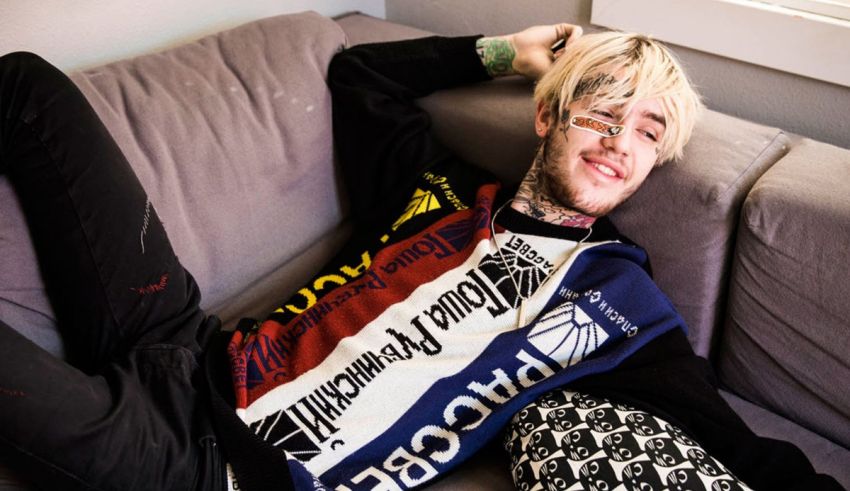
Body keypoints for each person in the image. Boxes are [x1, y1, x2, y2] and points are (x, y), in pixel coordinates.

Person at [0, 20, 839, 491]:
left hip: (209, 467)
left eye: (648, 131)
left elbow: (742, 445)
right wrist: (506, 54)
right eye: (601, 110)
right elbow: (358, 74)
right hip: (184, 337)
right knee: (26, 86)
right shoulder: (435, 187)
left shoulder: (617, 301)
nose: (621, 141)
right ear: (548, 117)